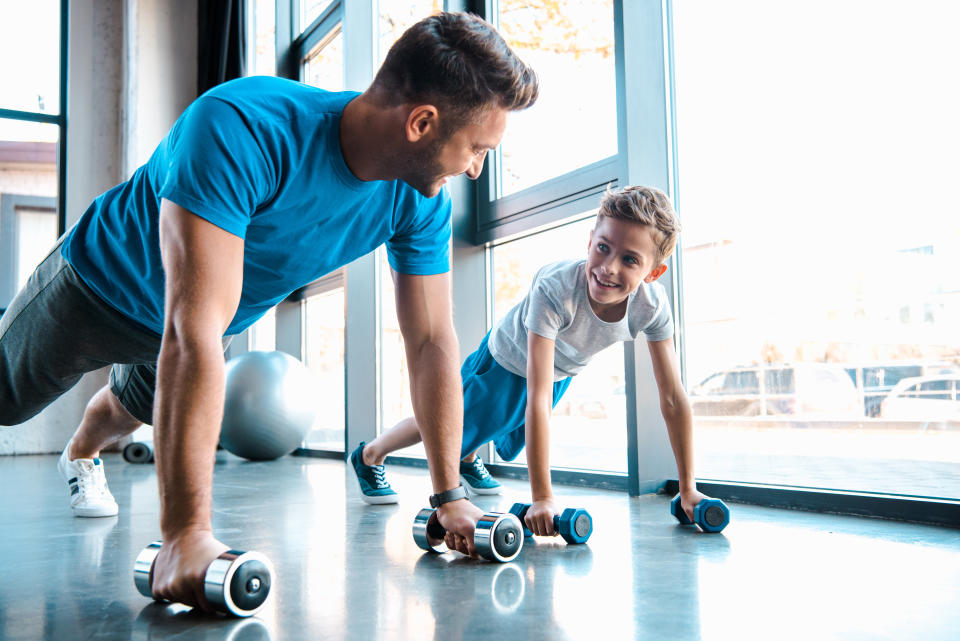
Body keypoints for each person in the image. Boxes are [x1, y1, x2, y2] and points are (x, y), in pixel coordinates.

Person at [0, 12, 537, 608]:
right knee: (5, 399)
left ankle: (78, 454)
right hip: (97, 290)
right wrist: (184, 537)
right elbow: (192, 326)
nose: (475, 169)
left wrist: (448, 495)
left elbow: (432, 342)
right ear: (421, 122)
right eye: (477, 149)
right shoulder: (244, 125)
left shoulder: (418, 202)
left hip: (191, 326)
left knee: (131, 411)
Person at [353, 186, 713, 532]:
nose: (608, 267)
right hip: (504, 363)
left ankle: (467, 455)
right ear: (590, 241)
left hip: (560, 372)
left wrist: (688, 487)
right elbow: (535, 395)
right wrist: (542, 498)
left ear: (653, 273)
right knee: (446, 423)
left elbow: (672, 397)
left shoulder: (652, 307)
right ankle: (371, 454)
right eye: (603, 248)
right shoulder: (556, 288)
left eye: (630, 260)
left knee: (498, 436)